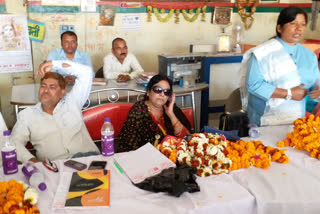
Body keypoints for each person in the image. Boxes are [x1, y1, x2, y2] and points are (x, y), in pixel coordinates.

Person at [240, 6, 320, 126]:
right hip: (264, 120)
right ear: (279, 28)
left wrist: (317, 91)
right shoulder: (263, 53)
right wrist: (288, 93)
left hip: (296, 119)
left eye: (303, 24)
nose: (298, 29)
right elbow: (253, 85)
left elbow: (315, 83)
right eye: (293, 23)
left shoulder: (309, 55)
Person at [12, 60, 100, 163]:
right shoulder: (27, 115)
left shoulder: (72, 101)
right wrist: (33, 161)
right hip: (56, 167)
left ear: (62, 93)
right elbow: (14, 142)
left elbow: (86, 72)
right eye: (43, 86)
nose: (45, 90)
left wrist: (54, 64)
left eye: (52, 87)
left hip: (91, 160)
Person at [117, 75, 191, 152]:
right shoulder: (138, 110)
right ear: (148, 92)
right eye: (158, 90)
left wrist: (171, 114)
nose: (162, 94)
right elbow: (129, 147)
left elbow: (187, 139)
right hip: (145, 158)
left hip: (174, 156)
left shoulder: (171, 108)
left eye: (166, 92)